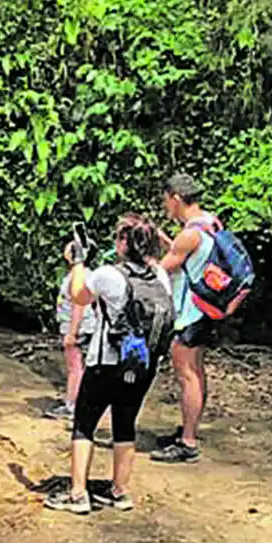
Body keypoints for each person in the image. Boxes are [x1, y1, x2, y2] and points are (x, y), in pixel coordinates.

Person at [45, 214, 173, 515]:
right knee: (125, 424)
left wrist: (77, 261)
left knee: (84, 424)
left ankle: (78, 494)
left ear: (124, 244)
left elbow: (78, 295)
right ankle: (119, 492)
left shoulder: (108, 275)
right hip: (143, 364)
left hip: (106, 363)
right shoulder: (161, 277)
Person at [152, 173, 219, 464]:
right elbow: (190, 257)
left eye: (167, 201)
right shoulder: (210, 222)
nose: (166, 207)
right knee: (197, 371)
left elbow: (160, 271)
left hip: (189, 314)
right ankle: (188, 431)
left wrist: (141, 258)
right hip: (205, 309)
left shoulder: (190, 233)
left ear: (176, 198)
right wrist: (168, 242)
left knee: (187, 375)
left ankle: (188, 442)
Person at [45, 253, 98, 421]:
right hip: (86, 326)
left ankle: (72, 406)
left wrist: (72, 333)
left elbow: (79, 306)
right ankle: (81, 403)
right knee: (82, 367)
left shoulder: (78, 276)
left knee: (74, 367)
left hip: (78, 327)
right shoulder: (89, 274)